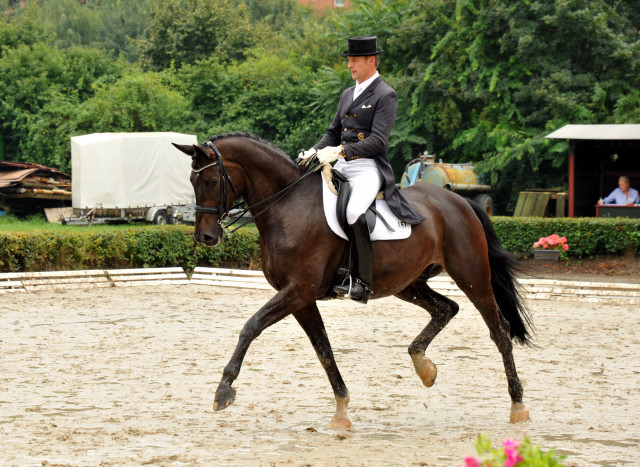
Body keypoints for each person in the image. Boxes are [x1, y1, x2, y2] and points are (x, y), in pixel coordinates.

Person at [297, 36, 425, 303]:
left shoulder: (385, 94)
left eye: (354, 60)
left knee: (354, 211)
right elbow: (333, 132)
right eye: (349, 60)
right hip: (342, 165)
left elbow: (379, 141)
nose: (350, 65)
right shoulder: (347, 93)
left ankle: (362, 282)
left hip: (368, 168)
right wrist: (315, 150)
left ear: (371, 60)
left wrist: (342, 151)